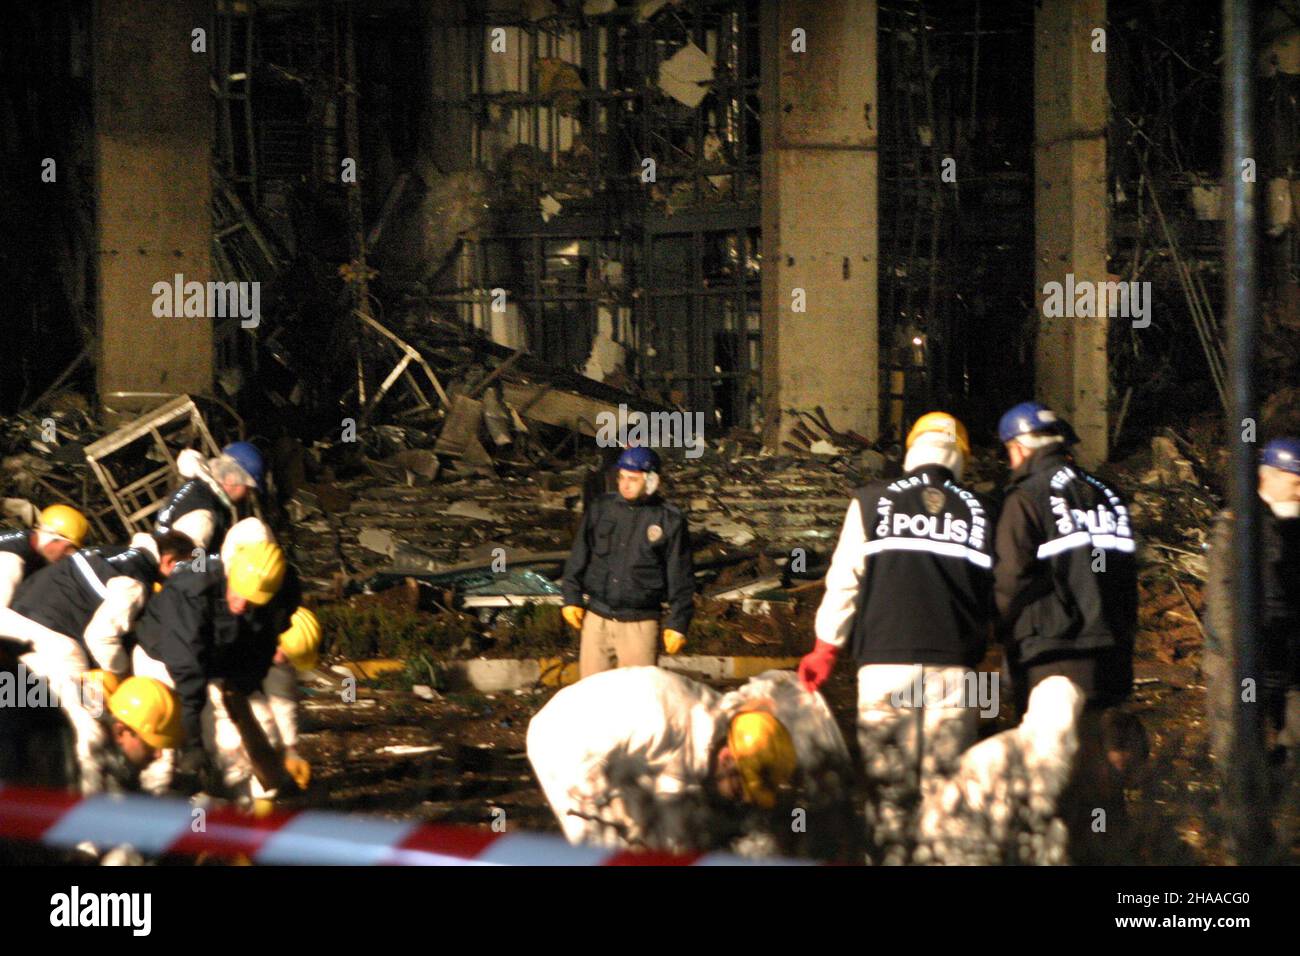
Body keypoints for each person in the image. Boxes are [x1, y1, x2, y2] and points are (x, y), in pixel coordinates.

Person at [798, 411, 996, 863]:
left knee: (888, 799)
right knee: (947, 799)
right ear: (961, 456)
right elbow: (1001, 591)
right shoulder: (984, 509)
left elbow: (845, 578)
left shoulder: (870, 501)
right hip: (957, 672)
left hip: (884, 668)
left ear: (912, 450)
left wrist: (826, 647)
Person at [992, 400, 1138, 860]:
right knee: (1100, 771)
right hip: (1110, 653)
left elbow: (1009, 581)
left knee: (1051, 775)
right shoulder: (1107, 494)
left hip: (1054, 658)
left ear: (1017, 449)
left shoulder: (1026, 498)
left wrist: (992, 636)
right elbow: (1126, 577)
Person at [526, 666, 848, 852]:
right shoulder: (675, 726)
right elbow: (672, 821)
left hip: (626, 747)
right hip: (568, 744)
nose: (743, 800)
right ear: (726, 757)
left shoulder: (716, 725)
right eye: (740, 790)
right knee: (611, 851)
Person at [131, 538, 289, 795]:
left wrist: (240, 688)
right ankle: (158, 808)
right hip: (161, 660)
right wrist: (192, 742)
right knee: (165, 741)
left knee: (231, 742)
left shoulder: (271, 591)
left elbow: (260, 645)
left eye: (251, 602)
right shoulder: (191, 589)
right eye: (238, 596)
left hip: (207, 660)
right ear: (230, 575)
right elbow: (185, 665)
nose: (241, 606)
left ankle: (243, 809)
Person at [1206, 436, 1300, 763]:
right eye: (1294, 483)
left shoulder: (1291, 526)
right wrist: (1243, 653)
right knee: (1240, 752)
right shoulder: (1237, 525)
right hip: (1243, 659)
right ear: (1267, 477)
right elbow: (1223, 598)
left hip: (1286, 657)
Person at [561, 447, 694, 678]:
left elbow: (680, 575)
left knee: (636, 701)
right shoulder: (602, 508)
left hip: (639, 624)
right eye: (621, 477)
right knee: (591, 695)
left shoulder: (668, 520)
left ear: (651, 481)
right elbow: (579, 554)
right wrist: (571, 597)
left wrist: (678, 622)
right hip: (597, 619)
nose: (625, 484)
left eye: (633, 479)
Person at [154, 441, 265, 553]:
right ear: (233, 477)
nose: (247, 495)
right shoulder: (204, 513)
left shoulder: (196, 488)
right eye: (248, 488)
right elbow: (191, 565)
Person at [0, 504, 89, 607]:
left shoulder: (31, 540)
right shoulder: (10, 560)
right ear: (52, 537)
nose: (70, 554)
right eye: (68, 547)